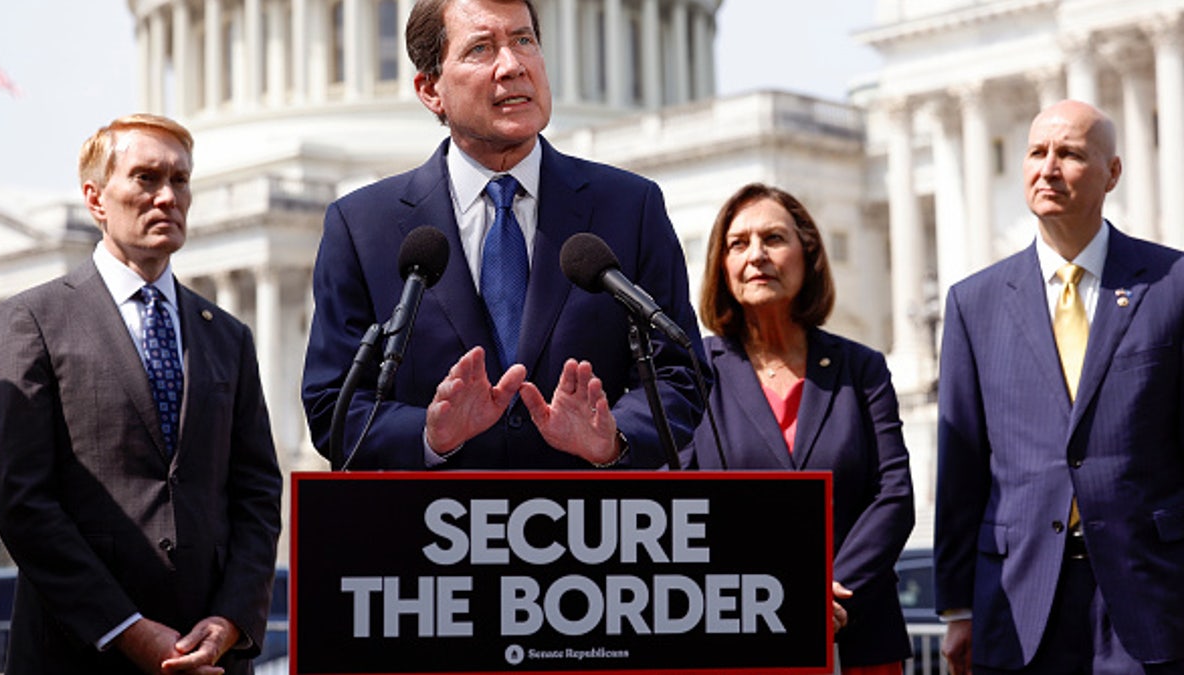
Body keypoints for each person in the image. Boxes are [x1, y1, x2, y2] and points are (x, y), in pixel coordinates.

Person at [301, 0, 705, 470]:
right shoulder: (362, 227)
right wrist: (429, 434)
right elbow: (333, 404)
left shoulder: (630, 207)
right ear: (431, 90)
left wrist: (612, 438)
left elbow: (681, 375)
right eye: (481, 49)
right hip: (428, 532)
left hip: (590, 530)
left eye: (524, 40)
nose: (512, 66)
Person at [0, 114, 283, 674]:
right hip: (76, 651)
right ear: (96, 199)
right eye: (146, 178)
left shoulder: (226, 334)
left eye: (180, 180)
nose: (168, 196)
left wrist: (232, 620)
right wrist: (128, 629)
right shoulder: (33, 319)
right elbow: (21, 500)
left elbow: (258, 495)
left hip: (211, 655)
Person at [936, 99, 1184, 674]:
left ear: (1112, 173)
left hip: (1148, 596)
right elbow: (962, 467)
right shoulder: (974, 304)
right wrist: (956, 609)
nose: (1047, 168)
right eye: (1036, 152)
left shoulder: (1172, 286)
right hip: (1019, 600)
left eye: (1070, 154)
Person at [686, 183, 915, 674]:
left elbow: (893, 495)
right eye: (738, 243)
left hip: (857, 632)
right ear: (721, 267)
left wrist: (827, 592)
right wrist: (772, 597)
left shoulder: (862, 368)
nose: (756, 255)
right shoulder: (692, 374)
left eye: (773, 238)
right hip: (737, 631)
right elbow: (676, 502)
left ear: (807, 254)